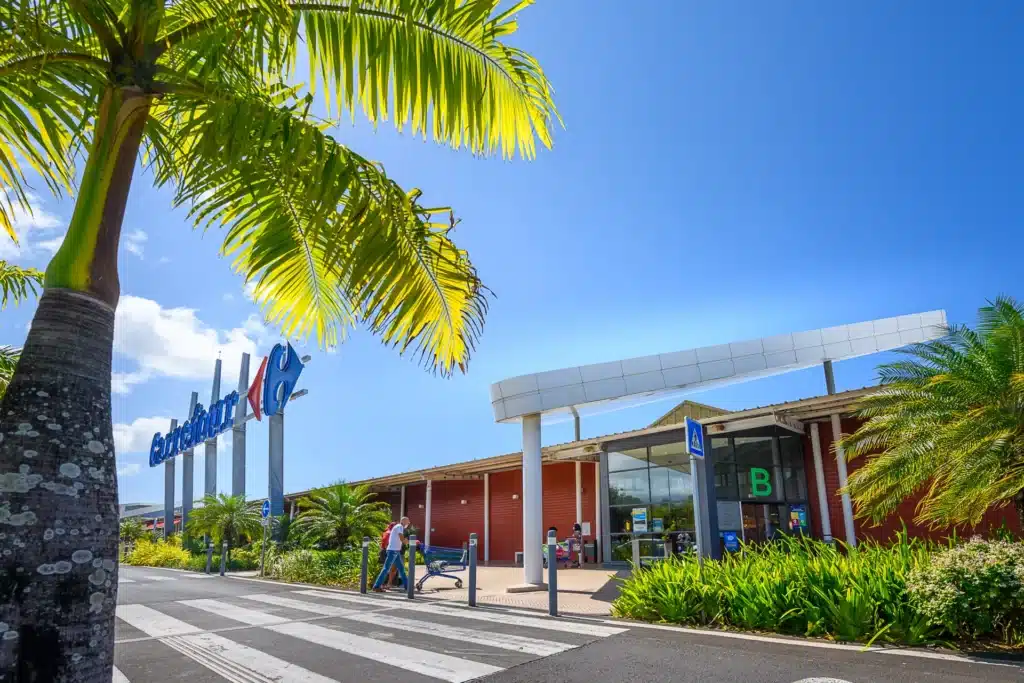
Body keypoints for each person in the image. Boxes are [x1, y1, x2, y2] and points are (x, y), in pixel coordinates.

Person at [373, 516, 408, 592]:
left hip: (396, 551)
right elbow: (401, 537)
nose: (408, 523)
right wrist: (407, 542)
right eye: (408, 522)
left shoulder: (398, 526)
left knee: (401, 569)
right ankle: (376, 586)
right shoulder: (399, 526)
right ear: (404, 521)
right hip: (393, 551)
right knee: (386, 568)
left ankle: (407, 586)